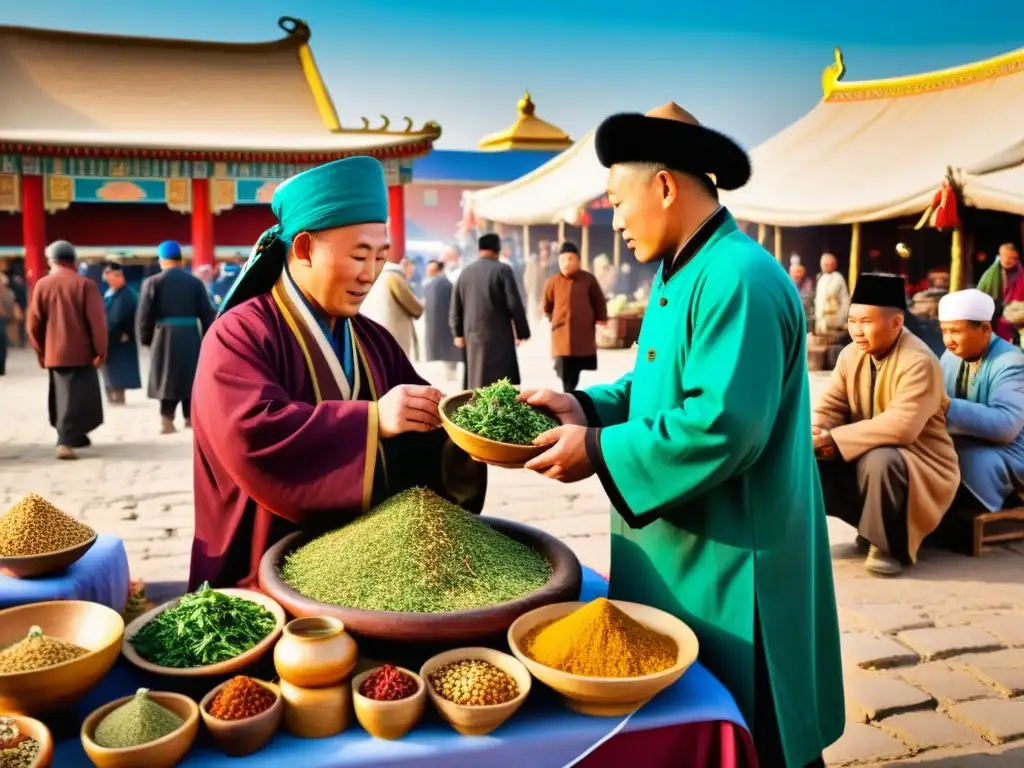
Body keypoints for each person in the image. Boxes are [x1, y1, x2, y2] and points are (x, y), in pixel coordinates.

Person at [519, 103, 843, 767]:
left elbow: (723, 423)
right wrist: (582, 407)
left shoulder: (738, 277)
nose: (613, 220)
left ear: (664, 186)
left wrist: (599, 451)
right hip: (679, 542)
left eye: (616, 201)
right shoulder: (680, 272)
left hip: (732, 554)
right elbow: (651, 386)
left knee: (753, 724)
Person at [188, 156, 486, 591]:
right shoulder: (239, 334)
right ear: (304, 248)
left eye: (381, 256)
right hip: (262, 567)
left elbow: (425, 423)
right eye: (359, 255)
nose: (369, 274)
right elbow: (249, 433)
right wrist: (372, 420)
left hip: (367, 571)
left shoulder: (372, 339)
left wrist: (468, 429)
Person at [814, 273, 959, 576]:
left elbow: (902, 427)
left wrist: (834, 437)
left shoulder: (919, 360)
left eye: (866, 322)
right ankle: (814, 537)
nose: (856, 331)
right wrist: (818, 430)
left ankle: (886, 545)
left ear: (896, 323)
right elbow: (832, 405)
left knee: (880, 459)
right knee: (808, 458)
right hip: (864, 452)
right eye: (852, 321)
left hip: (921, 463)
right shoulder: (850, 354)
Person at [937, 289, 1024, 545]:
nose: (948, 340)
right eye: (944, 331)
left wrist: (945, 407)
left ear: (985, 329)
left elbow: (1006, 426)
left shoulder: (1011, 361)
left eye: (955, 331)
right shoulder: (950, 357)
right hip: (965, 441)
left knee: (965, 459)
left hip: (1010, 451)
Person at [26, 240, 107, 460]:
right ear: (73, 261)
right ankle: (65, 441)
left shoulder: (42, 285)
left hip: (54, 353)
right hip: (82, 353)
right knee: (78, 397)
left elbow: (34, 324)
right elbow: (97, 322)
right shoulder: (85, 284)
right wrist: (100, 351)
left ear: (51, 261)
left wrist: (42, 352)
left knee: (63, 397)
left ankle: (77, 436)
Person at [137, 240, 216, 433]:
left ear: (162, 260)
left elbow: (144, 316)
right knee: (190, 375)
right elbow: (207, 314)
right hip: (190, 335)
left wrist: (145, 338)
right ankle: (190, 419)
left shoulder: (153, 282)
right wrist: (209, 341)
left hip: (164, 336)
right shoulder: (195, 283)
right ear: (180, 259)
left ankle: (167, 419)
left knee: (167, 376)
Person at [450, 233, 530, 389]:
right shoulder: (503, 270)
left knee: (476, 377)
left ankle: (477, 409)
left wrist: (457, 332)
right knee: (500, 379)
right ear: (497, 250)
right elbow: (514, 303)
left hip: (473, 334)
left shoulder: (465, 272)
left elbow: (456, 304)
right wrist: (522, 332)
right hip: (498, 334)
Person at [542, 242, 608, 392]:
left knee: (576, 365)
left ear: (578, 260)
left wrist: (601, 317)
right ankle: (568, 391)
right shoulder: (553, 282)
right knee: (562, 363)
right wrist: (551, 317)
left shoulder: (588, 279)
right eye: (563, 259)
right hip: (561, 331)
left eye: (570, 259)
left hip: (582, 330)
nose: (567, 263)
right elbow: (547, 304)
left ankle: (569, 391)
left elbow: (598, 300)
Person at [359, 253, 423, 359]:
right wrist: (420, 307)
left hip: (376, 328)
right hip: (393, 331)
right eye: (411, 270)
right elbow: (414, 307)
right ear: (405, 264)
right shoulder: (394, 278)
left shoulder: (375, 276)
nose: (411, 274)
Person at [100, 261, 141, 404]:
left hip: (123, 337)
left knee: (119, 370)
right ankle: (111, 396)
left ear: (119, 276)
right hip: (108, 337)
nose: (106, 278)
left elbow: (122, 317)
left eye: (109, 275)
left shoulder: (128, 295)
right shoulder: (109, 293)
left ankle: (118, 396)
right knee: (107, 369)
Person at [423, 259, 462, 382]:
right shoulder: (441, 283)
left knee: (447, 357)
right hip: (444, 325)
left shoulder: (438, 284)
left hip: (443, 325)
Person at [976, 243, 1021, 343]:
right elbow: (981, 293)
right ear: (1000, 256)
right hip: (995, 307)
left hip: (1015, 309)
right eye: (1006, 257)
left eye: (1013, 258)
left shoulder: (1020, 273)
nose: (1009, 260)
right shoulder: (990, 274)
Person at [814, 252, 850, 335]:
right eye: (823, 264)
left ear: (833, 265)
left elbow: (835, 296)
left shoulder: (838, 277)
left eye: (826, 264)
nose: (823, 266)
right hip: (822, 319)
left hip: (835, 318)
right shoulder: (821, 278)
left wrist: (842, 318)